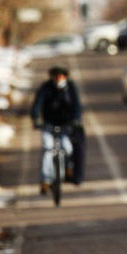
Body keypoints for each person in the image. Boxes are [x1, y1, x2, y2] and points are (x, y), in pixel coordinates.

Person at [31, 66, 83, 194]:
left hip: (66, 125)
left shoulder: (70, 88)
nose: (59, 79)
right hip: (48, 125)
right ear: (52, 77)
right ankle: (45, 181)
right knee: (48, 148)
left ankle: (68, 169)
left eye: (61, 76)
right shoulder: (46, 88)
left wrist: (76, 119)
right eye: (56, 76)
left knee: (67, 148)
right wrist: (36, 118)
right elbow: (37, 104)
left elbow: (77, 106)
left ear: (65, 77)